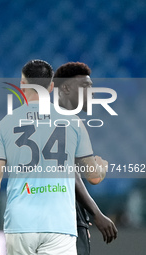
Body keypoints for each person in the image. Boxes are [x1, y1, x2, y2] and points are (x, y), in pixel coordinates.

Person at [0, 59, 106, 255]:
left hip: (20, 225)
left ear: (22, 85)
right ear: (51, 87)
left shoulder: (5, 125)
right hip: (60, 225)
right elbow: (94, 176)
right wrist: (101, 166)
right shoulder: (73, 122)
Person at [53, 62, 118, 255]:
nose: (93, 93)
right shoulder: (72, 122)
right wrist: (97, 214)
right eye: (86, 87)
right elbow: (92, 176)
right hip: (66, 217)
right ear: (65, 88)